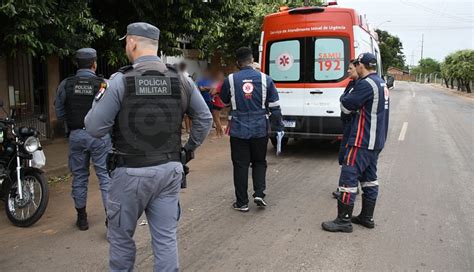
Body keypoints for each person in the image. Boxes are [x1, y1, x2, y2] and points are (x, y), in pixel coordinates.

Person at [84, 22, 212, 271]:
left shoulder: (119, 81)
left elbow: (94, 128)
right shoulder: (180, 79)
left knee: (121, 241)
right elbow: (205, 119)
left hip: (130, 172)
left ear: (131, 42)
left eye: (125, 42)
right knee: (165, 240)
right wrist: (187, 151)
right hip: (170, 170)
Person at [322, 52, 389, 232]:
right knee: (369, 179)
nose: (355, 67)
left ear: (362, 65)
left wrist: (343, 99)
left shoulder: (366, 84)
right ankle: (367, 217)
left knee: (348, 178)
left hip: (361, 140)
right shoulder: (381, 82)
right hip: (376, 141)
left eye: (357, 64)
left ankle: (343, 220)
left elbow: (346, 105)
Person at [220, 47, 284, 212]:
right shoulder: (266, 79)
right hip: (260, 128)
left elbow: (224, 100)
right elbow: (275, 107)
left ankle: (242, 203)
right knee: (259, 161)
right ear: (252, 59)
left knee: (240, 165)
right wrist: (278, 127)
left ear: (237, 62)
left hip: (238, 128)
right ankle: (259, 194)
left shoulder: (230, 79)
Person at [54, 48, 111, 231]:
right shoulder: (102, 84)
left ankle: (82, 218)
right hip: (100, 136)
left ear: (76, 64)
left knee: (79, 176)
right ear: (94, 63)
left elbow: (60, 112)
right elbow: (112, 110)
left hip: (76, 135)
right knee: (105, 177)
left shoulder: (66, 84)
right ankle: (111, 219)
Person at [333, 60, 359, 199]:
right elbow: (343, 98)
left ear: (358, 68)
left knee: (347, 156)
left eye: (350, 68)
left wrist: (344, 100)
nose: (348, 71)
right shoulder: (352, 83)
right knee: (344, 155)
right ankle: (348, 185)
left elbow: (347, 103)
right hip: (347, 124)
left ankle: (346, 187)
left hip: (353, 124)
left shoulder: (360, 85)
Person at [210, 71, 226, 137]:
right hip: (220, 102)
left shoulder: (219, 84)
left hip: (217, 102)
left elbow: (212, 92)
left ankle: (219, 133)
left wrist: (213, 89)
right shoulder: (222, 84)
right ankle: (219, 133)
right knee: (217, 118)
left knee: (216, 118)